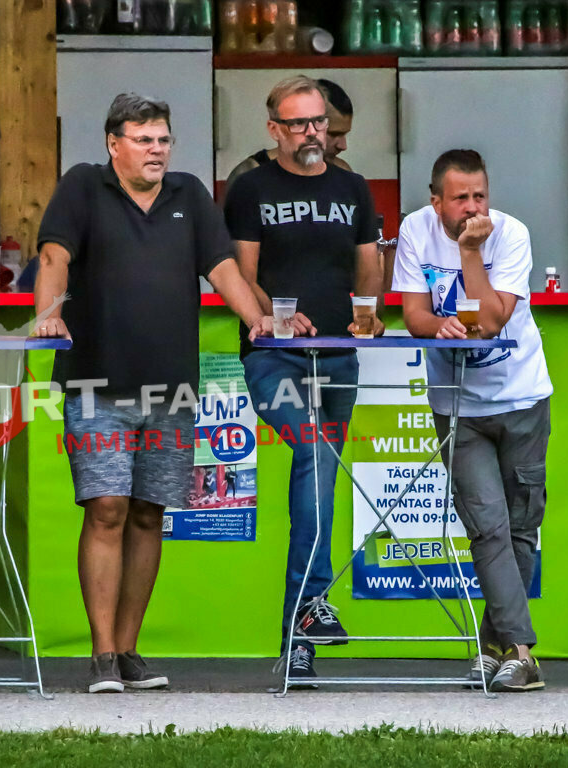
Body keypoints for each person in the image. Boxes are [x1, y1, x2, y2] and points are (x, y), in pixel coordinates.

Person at [33, 93, 270, 694]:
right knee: (107, 506)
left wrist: (257, 320)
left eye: (163, 139)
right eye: (144, 139)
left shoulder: (189, 194)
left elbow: (221, 268)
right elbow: (55, 253)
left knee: (148, 513)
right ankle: (102, 654)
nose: (157, 150)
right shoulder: (84, 186)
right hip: (97, 379)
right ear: (115, 144)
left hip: (172, 386)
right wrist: (47, 312)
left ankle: (131, 649)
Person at [223, 75, 384, 684]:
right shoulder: (251, 188)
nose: (312, 133)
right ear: (274, 130)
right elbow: (242, 273)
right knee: (314, 454)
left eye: (318, 122)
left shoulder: (353, 188)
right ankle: (311, 609)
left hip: (340, 357)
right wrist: (277, 318)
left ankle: (299, 640)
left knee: (321, 478)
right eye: (298, 124)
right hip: (274, 358)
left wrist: (368, 314)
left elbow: (369, 266)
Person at [392, 149, 552, 692]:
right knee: (486, 525)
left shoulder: (511, 234)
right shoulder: (415, 230)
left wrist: (469, 253)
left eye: (479, 195)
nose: (472, 207)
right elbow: (412, 313)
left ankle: (493, 646)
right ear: (436, 200)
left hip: (522, 395)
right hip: (456, 402)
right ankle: (524, 653)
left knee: (520, 527)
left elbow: (489, 319)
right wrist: (436, 326)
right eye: (459, 198)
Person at [224, 78, 355, 194]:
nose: (343, 146)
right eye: (333, 134)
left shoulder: (343, 175)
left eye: (344, 134)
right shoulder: (249, 176)